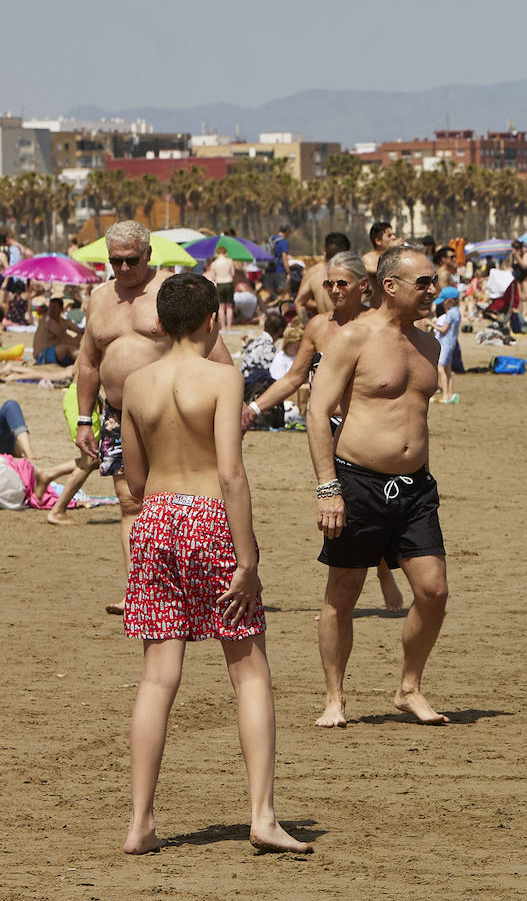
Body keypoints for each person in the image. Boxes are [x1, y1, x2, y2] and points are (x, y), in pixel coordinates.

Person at [119, 272, 309, 855]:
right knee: (248, 670)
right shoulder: (223, 377)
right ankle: (262, 815)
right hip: (206, 517)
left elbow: (131, 478)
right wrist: (247, 558)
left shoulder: (135, 382)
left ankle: (140, 823)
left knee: (157, 677)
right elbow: (231, 472)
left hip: (154, 519)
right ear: (213, 320)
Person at [307, 244, 449, 728]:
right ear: (390, 286)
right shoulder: (354, 338)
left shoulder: (429, 344)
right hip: (358, 482)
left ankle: (409, 687)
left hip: (416, 489)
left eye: (434, 281)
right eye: (423, 282)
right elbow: (316, 410)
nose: (434, 289)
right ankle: (335, 698)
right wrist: (328, 487)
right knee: (342, 594)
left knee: (433, 592)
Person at [75, 220, 233, 615]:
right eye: (115, 261)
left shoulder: (169, 292)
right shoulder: (98, 298)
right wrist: (83, 419)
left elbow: (213, 347)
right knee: (131, 503)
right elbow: (88, 362)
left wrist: (233, 407)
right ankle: (139, 589)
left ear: (148, 255)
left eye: (131, 260)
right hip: (117, 414)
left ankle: (205, 580)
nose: (124, 269)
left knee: (190, 497)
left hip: (172, 409)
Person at [247, 253, 408, 611]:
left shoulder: (377, 325)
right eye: (329, 284)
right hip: (328, 430)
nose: (334, 290)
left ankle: (378, 573)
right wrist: (253, 409)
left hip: (366, 431)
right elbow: (293, 377)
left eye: (342, 284)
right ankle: (342, 600)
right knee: (342, 512)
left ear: (362, 286)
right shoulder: (319, 327)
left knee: (370, 510)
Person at [295, 232, 351, 322]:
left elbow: (299, 302)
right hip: (344, 326)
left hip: (322, 326)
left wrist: (307, 326)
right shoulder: (350, 274)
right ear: (347, 254)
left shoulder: (314, 275)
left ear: (325, 251)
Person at [33, 295, 83, 366]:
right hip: (42, 355)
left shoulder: (63, 321)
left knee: (74, 346)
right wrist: (78, 341)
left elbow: (80, 331)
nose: (52, 310)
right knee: (67, 348)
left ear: (61, 309)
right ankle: (86, 359)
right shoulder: (46, 320)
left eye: (54, 307)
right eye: (50, 307)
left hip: (55, 354)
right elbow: (63, 337)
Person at [206, 244, 236, 331]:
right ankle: (229, 327)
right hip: (229, 283)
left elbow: (213, 276)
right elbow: (233, 274)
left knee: (221, 308)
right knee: (230, 306)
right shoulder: (230, 261)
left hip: (220, 283)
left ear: (217, 253)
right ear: (225, 253)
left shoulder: (214, 264)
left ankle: (223, 327)